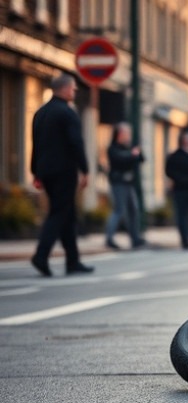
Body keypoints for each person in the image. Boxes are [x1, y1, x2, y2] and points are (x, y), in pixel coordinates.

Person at [29, 73, 94, 277]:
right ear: (65, 89)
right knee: (59, 213)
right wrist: (85, 169)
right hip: (64, 171)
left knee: (68, 214)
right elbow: (76, 143)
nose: (74, 91)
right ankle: (41, 255)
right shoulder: (67, 113)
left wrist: (35, 171)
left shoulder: (40, 113)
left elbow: (36, 145)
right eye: (73, 88)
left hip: (45, 171)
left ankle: (73, 261)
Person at [104, 122, 146, 250]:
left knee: (133, 209)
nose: (129, 136)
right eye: (127, 133)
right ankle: (109, 238)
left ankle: (135, 238)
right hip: (118, 183)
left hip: (129, 183)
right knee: (119, 210)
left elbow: (141, 158)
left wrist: (136, 153)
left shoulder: (128, 147)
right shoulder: (113, 148)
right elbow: (121, 160)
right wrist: (132, 155)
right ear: (120, 133)